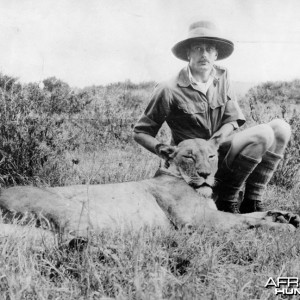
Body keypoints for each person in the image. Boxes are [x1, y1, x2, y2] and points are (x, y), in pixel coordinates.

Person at [133, 20, 291, 214]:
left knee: (281, 128)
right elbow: (140, 132)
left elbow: (233, 120)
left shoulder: (222, 76)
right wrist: (162, 150)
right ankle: (227, 199)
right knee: (263, 133)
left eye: (209, 49)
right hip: (193, 161)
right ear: (188, 54)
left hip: (217, 150)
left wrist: (215, 141)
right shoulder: (169, 88)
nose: (204, 54)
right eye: (198, 48)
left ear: (216, 54)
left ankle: (252, 201)